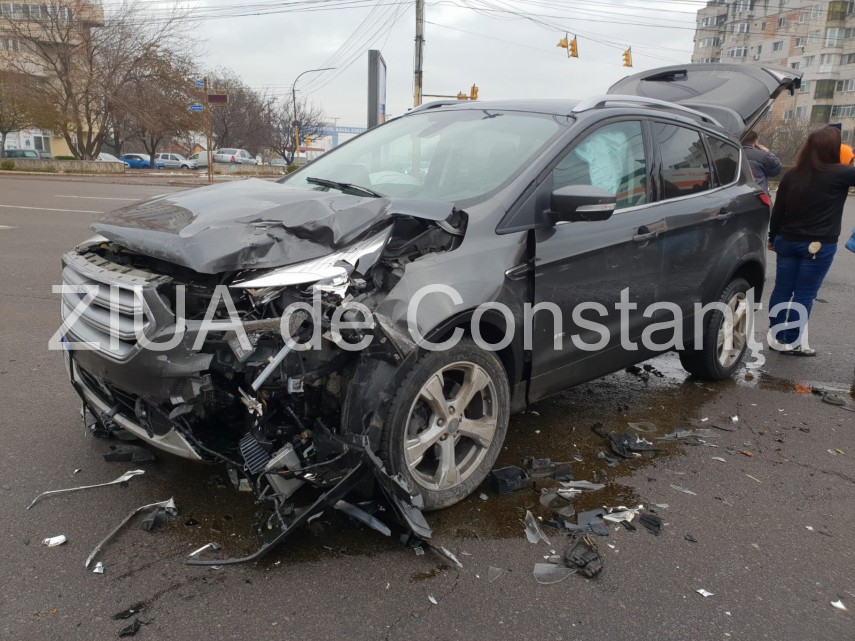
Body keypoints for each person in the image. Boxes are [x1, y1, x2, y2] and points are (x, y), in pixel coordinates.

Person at [768, 126, 855, 355]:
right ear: (834, 149)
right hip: (818, 245)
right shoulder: (842, 173)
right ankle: (793, 342)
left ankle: (777, 337)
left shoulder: (792, 174)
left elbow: (779, 210)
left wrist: (772, 237)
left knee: (782, 290)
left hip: (786, 241)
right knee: (805, 294)